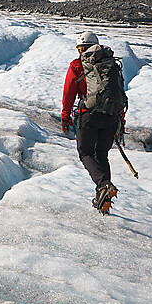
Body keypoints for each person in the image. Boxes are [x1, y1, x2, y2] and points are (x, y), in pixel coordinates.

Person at [61, 31, 124, 213]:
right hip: (111, 116)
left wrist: (66, 116)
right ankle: (102, 199)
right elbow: (119, 91)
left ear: (81, 48)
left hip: (89, 115)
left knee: (85, 153)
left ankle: (104, 186)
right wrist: (121, 120)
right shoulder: (111, 64)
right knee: (102, 154)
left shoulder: (77, 65)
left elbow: (69, 92)